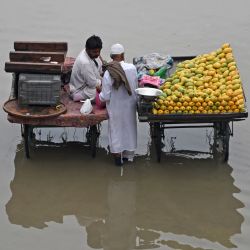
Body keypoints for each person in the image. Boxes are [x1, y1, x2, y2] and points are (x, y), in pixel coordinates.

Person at [99, 44, 138, 166]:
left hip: (115, 107)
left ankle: (117, 159)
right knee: (129, 128)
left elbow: (105, 96)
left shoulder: (108, 72)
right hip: (130, 106)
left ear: (112, 57)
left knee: (116, 130)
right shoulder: (132, 68)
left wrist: (97, 96)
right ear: (122, 55)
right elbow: (135, 87)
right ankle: (128, 157)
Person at [69, 35, 103, 101]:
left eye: (99, 51)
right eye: (95, 52)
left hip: (88, 82)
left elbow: (99, 70)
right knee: (96, 93)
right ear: (87, 49)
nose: (98, 54)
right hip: (79, 89)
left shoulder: (89, 53)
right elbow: (92, 84)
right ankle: (77, 96)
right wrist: (103, 84)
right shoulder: (85, 62)